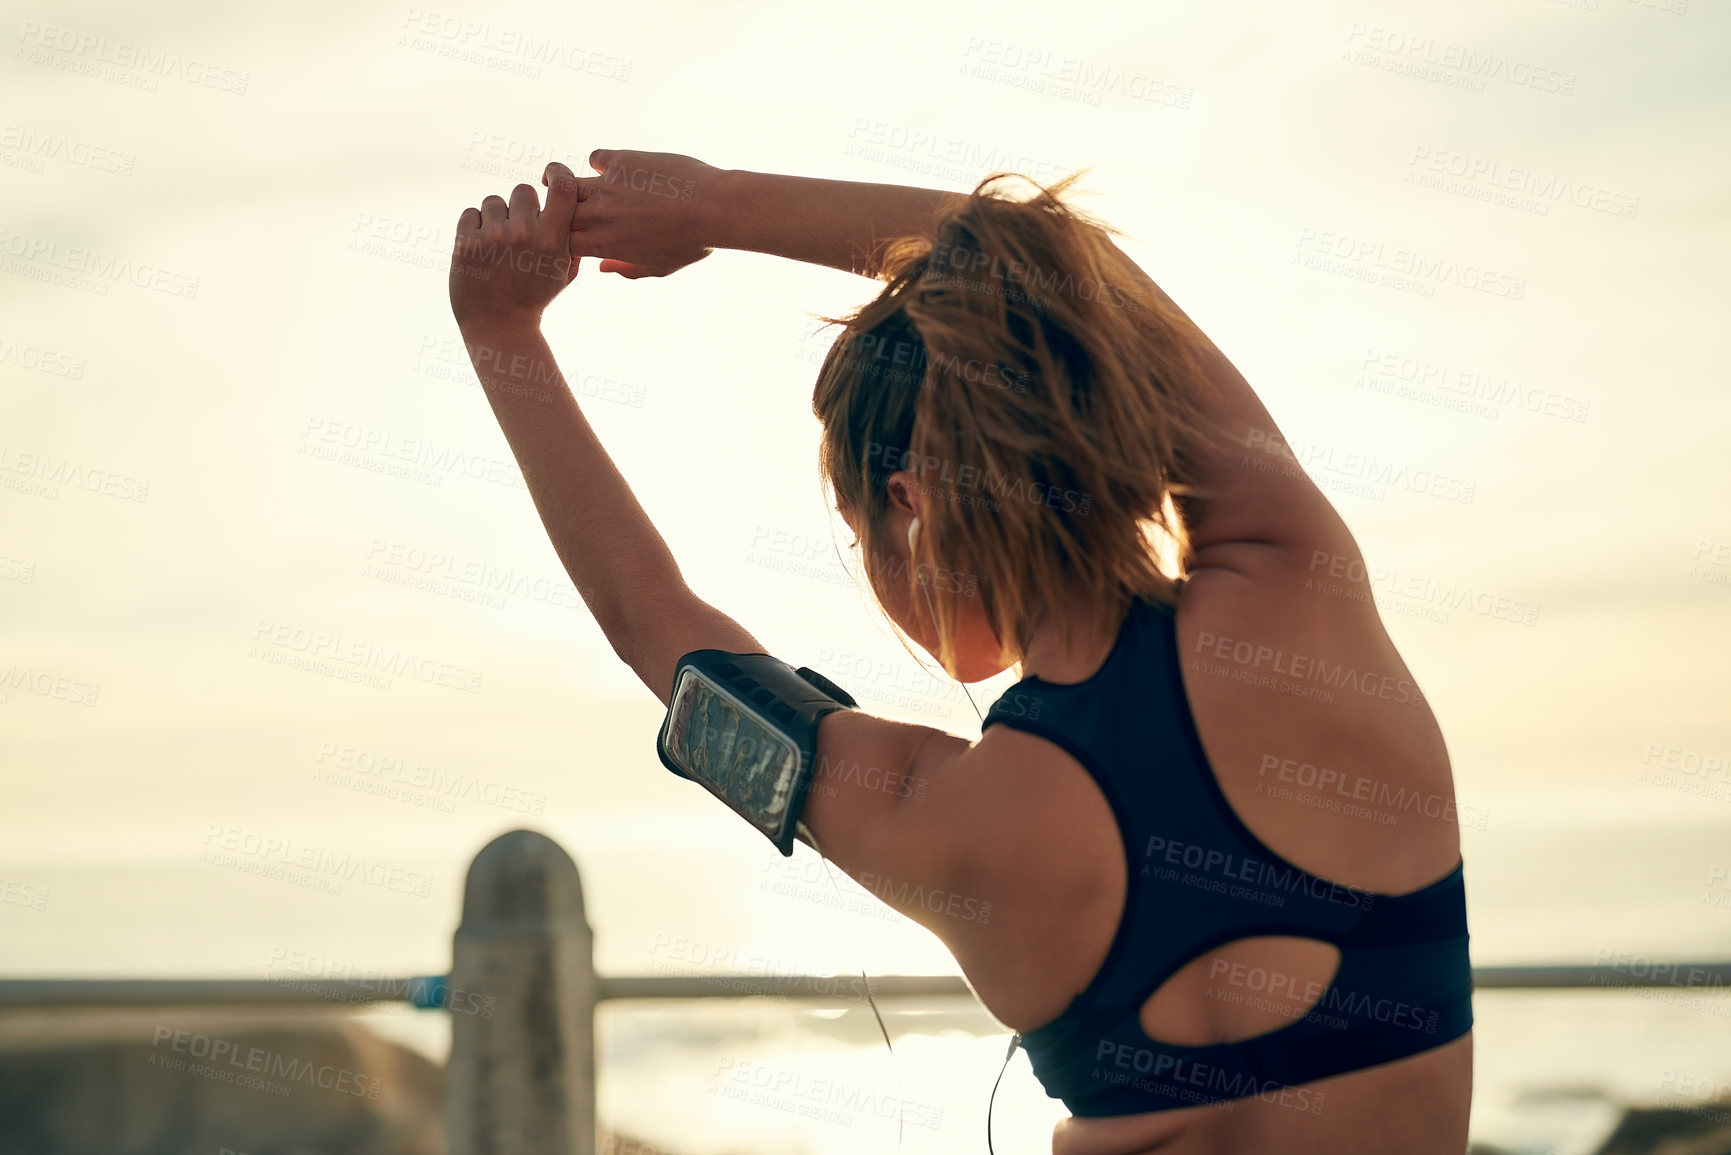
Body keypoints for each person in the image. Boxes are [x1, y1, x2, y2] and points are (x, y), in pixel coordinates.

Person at [448, 150, 1474, 1155]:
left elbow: (650, 620)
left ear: (912, 507)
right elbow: (1048, 258)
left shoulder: (942, 822)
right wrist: (715, 205)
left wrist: (502, 332)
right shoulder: (1296, 592)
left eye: (856, 536)